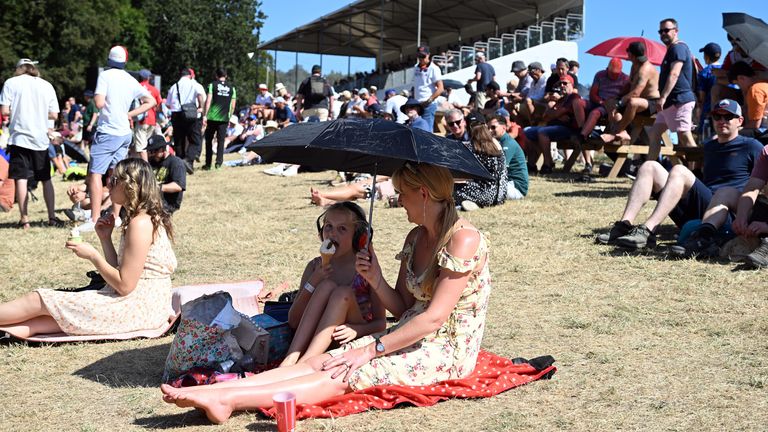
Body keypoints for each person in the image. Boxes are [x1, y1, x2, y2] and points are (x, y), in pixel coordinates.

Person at [161, 162, 492, 425]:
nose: (397, 200)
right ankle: (221, 388)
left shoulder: (463, 240)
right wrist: (376, 280)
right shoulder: (416, 237)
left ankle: (230, 400)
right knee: (325, 360)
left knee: (349, 370)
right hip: (408, 333)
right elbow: (405, 307)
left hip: (446, 348)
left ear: (422, 194)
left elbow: (433, 318)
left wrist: (369, 350)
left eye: (401, 194)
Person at [0, 158, 176, 337]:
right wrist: (105, 239)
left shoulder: (140, 224)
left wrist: (93, 256)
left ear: (131, 186)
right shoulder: (142, 218)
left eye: (115, 180)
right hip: (145, 308)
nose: (109, 183)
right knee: (42, 322)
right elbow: (122, 272)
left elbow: (124, 285)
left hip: (137, 307)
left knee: (39, 300)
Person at [597, 99, 764, 250]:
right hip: (701, 206)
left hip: (725, 212)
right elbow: (698, 177)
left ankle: (648, 230)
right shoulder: (709, 146)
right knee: (649, 166)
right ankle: (624, 225)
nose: (721, 121)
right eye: (717, 116)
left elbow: (760, 183)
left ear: (740, 121)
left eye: (728, 117)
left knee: (679, 170)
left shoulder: (752, 146)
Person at [281, 202, 387, 367]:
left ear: (359, 237)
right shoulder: (315, 267)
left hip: (349, 340)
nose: (332, 233)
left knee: (342, 293)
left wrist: (356, 330)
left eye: (342, 229)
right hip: (315, 338)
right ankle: (291, 358)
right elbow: (293, 320)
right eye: (328, 226)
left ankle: (305, 362)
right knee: (326, 286)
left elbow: (381, 323)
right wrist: (314, 281)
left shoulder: (365, 269)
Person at [87, 46, 156, 231]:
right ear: (125, 61)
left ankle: (94, 218)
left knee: (95, 174)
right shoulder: (130, 79)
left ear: (109, 60)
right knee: (117, 175)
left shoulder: (105, 76)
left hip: (108, 130)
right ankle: (115, 216)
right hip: (125, 132)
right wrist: (130, 114)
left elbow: (99, 102)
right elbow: (151, 101)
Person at [0, 58, 63, 229]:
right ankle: (51, 216)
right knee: (46, 179)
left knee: (21, 179)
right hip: (40, 139)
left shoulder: (10, 83)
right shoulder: (46, 85)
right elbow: (55, 115)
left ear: (18, 69)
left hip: (19, 137)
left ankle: (24, 219)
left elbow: (4, 111)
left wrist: (20, 111)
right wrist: (38, 113)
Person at [647, 18, 697, 162]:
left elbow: (674, 73)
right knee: (655, 134)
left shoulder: (678, 48)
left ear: (676, 31)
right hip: (670, 102)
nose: (663, 33)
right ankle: (649, 170)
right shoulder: (672, 50)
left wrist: (662, 97)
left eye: (666, 30)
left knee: (684, 135)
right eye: (660, 31)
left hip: (678, 100)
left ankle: (698, 174)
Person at [601, 42, 660, 144]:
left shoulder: (644, 69)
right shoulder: (634, 65)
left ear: (631, 54)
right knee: (610, 102)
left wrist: (620, 103)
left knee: (633, 102)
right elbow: (629, 85)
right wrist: (616, 99)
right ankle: (622, 132)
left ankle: (615, 134)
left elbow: (636, 93)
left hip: (651, 102)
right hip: (637, 99)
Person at [524, 74, 584, 174]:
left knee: (542, 132)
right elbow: (547, 116)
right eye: (560, 84)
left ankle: (547, 163)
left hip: (569, 130)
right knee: (526, 131)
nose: (562, 85)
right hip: (556, 126)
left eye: (565, 83)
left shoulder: (574, 97)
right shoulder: (560, 99)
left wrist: (556, 113)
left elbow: (554, 114)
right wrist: (558, 114)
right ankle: (532, 164)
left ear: (572, 85)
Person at [454, 112, 507, 210]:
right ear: (486, 126)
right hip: (500, 196)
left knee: (450, 188)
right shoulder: (497, 144)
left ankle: (470, 203)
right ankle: (472, 203)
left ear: (467, 126)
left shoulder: (470, 147)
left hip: (485, 195)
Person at [166, 67, 206, 171]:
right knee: (195, 139)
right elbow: (201, 96)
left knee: (179, 141)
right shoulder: (194, 84)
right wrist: (201, 108)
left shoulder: (174, 86)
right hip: (192, 114)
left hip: (176, 114)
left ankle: (179, 164)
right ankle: (188, 160)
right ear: (190, 75)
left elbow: (168, 105)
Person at [202, 68, 237, 170]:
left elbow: (208, 100)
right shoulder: (232, 88)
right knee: (221, 141)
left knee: (209, 140)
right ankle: (218, 164)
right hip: (224, 118)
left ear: (216, 76)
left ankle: (208, 164)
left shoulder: (212, 85)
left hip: (212, 117)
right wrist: (229, 117)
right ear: (226, 76)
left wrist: (205, 115)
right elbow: (233, 105)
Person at [488, 114, 528, 200]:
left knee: (485, 188)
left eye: (493, 127)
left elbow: (500, 168)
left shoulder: (508, 143)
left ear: (504, 127)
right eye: (488, 128)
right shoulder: (500, 142)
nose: (490, 130)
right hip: (507, 184)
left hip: (516, 188)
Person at [146, 135, 186, 213]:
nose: (152, 154)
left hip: (168, 203)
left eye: (154, 150)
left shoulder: (176, 163)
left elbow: (178, 186)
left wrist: (157, 188)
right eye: (150, 151)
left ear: (163, 148)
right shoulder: (151, 162)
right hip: (152, 200)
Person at [728, 61, 768, 133]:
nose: (740, 88)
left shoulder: (755, 90)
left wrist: (734, 130)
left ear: (741, 78)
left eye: (737, 84)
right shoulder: (764, 84)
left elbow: (755, 125)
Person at [132, 69, 162, 162]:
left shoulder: (137, 87)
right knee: (145, 145)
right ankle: (139, 164)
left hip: (141, 120)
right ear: (149, 78)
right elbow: (159, 106)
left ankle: (146, 168)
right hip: (152, 121)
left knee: (141, 147)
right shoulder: (154, 89)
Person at [411, 45, 444, 131]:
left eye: (423, 56)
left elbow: (440, 88)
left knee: (427, 131)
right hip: (417, 104)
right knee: (417, 129)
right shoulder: (416, 67)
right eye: (419, 56)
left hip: (428, 104)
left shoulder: (434, 68)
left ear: (428, 55)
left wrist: (429, 100)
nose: (421, 58)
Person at [696, 43, 722, 140]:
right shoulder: (726, 70)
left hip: (709, 112)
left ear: (706, 57)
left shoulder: (705, 72)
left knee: (707, 142)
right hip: (726, 110)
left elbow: (701, 97)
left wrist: (699, 110)